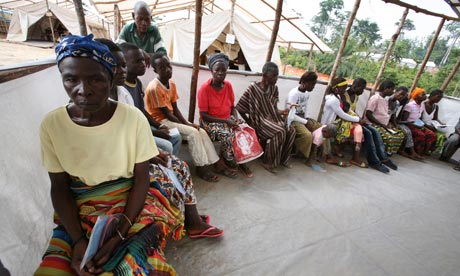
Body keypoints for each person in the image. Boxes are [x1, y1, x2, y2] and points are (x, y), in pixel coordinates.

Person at [35, 34, 222, 276]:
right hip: (82, 204)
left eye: (95, 80)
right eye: (70, 79)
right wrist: (79, 241)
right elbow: (59, 188)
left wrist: (119, 235)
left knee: (139, 264)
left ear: (109, 77)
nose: (83, 91)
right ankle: (190, 216)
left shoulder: (130, 117)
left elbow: (141, 178)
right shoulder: (52, 125)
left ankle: (191, 215)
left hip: (128, 199)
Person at [145, 53, 225, 182]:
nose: (167, 69)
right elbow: (167, 114)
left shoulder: (171, 83)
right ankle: (201, 167)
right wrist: (188, 125)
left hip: (170, 118)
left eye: (168, 65)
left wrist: (188, 123)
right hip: (160, 121)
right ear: (155, 70)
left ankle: (214, 161)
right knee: (193, 133)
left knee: (200, 130)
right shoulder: (154, 88)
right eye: (162, 67)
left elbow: (175, 109)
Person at [119, 42, 182, 156]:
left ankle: (171, 165)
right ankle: (163, 166)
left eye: (143, 60)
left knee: (176, 136)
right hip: (132, 132)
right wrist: (155, 132)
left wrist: (159, 125)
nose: (143, 64)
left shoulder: (137, 82)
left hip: (141, 125)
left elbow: (142, 110)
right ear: (124, 63)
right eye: (137, 61)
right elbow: (129, 125)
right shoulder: (122, 89)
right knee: (166, 145)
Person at [198, 53, 253, 178]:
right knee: (227, 134)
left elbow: (232, 107)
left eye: (224, 70)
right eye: (217, 70)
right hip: (209, 122)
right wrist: (226, 121)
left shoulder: (228, 86)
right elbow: (204, 115)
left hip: (226, 119)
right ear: (211, 71)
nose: (221, 73)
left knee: (244, 129)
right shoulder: (204, 89)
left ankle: (241, 160)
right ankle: (229, 162)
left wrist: (236, 119)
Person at [235, 62, 296, 173]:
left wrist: (282, 112)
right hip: (259, 121)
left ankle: (283, 159)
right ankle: (268, 161)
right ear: (264, 75)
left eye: (277, 75)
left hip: (272, 118)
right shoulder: (253, 88)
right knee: (280, 131)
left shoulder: (274, 89)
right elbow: (240, 107)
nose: (276, 78)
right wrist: (250, 122)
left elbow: (273, 108)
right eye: (273, 75)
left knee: (291, 130)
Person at [321, 77, 364, 168]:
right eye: (343, 88)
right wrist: (357, 120)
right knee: (345, 125)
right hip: (328, 123)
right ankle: (330, 157)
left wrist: (356, 117)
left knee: (350, 126)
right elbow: (342, 114)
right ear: (337, 89)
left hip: (334, 123)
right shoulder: (333, 100)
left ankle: (334, 153)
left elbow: (347, 110)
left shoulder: (338, 97)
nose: (345, 91)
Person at [285, 71, 322, 166]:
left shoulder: (306, 94)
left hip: (301, 118)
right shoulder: (294, 94)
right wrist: (305, 122)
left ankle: (316, 152)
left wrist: (307, 119)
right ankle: (306, 156)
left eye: (314, 84)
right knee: (307, 135)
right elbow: (291, 114)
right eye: (312, 84)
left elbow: (306, 108)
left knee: (322, 128)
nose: (313, 87)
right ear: (303, 82)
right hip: (292, 119)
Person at [117, 1, 166, 66]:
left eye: (147, 20)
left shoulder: (154, 30)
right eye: (140, 19)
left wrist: (139, 56)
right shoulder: (127, 29)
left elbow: (162, 54)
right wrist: (140, 52)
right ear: (133, 16)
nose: (144, 23)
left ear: (151, 18)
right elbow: (118, 49)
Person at [364, 80, 405, 155]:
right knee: (389, 137)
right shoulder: (375, 98)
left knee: (399, 134)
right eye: (391, 89)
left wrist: (386, 124)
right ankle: (381, 153)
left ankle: (387, 153)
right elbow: (368, 114)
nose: (392, 92)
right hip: (372, 123)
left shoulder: (385, 99)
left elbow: (387, 114)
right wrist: (381, 124)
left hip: (383, 124)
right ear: (386, 88)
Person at [400, 87, 436, 156]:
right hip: (410, 125)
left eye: (425, 95)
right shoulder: (410, 106)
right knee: (421, 135)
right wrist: (416, 125)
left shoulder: (422, 106)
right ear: (416, 96)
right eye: (422, 95)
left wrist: (421, 125)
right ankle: (414, 152)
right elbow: (405, 120)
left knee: (432, 134)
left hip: (418, 125)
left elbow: (419, 118)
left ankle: (423, 152)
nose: (425, 96)